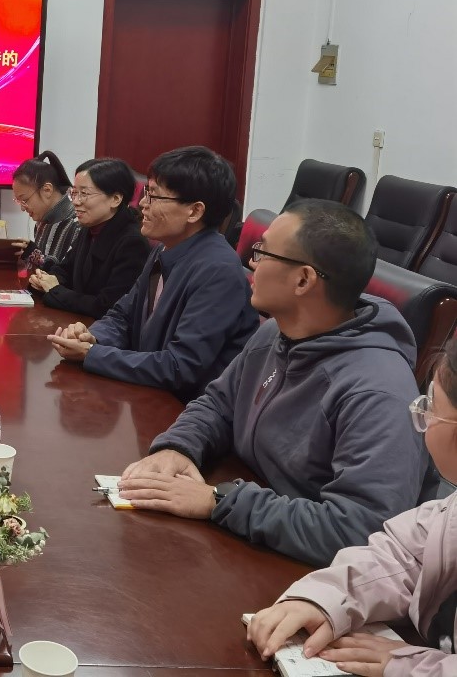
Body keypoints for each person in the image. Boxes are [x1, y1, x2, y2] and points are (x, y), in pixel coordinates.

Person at [118, 200, 427, 567]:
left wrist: (221, 501)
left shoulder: (377, 391)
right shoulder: (275, 333)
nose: (252, 263)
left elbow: (363, 529)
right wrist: (179, 447)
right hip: (250, 536)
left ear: (303, 280)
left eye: (263, 253)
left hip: (304, 573)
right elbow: (218, 403)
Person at [246, 340, 457, 677]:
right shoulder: (449, 510)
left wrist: (414, 667)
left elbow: (352, 523)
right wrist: (325, 599)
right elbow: (403, 555)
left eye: (431, 404)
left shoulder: (379, 383)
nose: (423, 413)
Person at [47, 145, 257, 400]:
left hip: (183, 409)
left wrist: (93, 354)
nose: (142, 204)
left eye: (154, 196)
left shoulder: (218, 271)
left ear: (194, 211)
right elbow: (123, 315)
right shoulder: (164, 249)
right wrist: (92, 337)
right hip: (148, 394)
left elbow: (180, 367)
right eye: (146, 192)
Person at [30, 157, 149, 319]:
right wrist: (45, 279)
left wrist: (55, 290)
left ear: (115, 199)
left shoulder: (132, 243)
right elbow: (65, 269)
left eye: (84, 194)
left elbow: (108, 306)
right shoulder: (90, 227)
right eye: (74, 193)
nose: (76, 202)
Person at [10, 151, 80, 272]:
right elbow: (42, 268)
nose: (22, 208)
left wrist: (33, 254)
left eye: (24, 200)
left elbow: (65, 275)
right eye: (18, 201)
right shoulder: (41, 221)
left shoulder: (77, 224)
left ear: (47, 190)